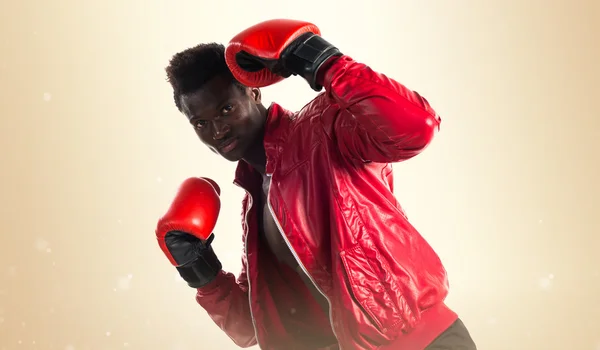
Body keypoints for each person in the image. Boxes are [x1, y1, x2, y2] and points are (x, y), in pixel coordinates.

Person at [156, 19, 477, 350]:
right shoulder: (255, 204)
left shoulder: (322, 127)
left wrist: (324, 62)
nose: (217, 130)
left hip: (421, 342)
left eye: (225, 109)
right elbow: (251, 329)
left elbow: (416, 127)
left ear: (253, 92)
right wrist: (201, 270)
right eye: (201, 122)